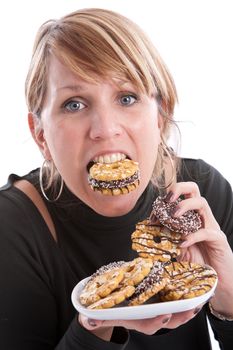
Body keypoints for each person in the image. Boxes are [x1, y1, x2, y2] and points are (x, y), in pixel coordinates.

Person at [0, 7, 233, 350]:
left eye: (127, 97)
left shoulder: (201, 196)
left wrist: (228, 298)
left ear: (160, 116)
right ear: (41, 135)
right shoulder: (12, 227)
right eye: (74, 104)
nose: (105, 130)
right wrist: (95, 326)